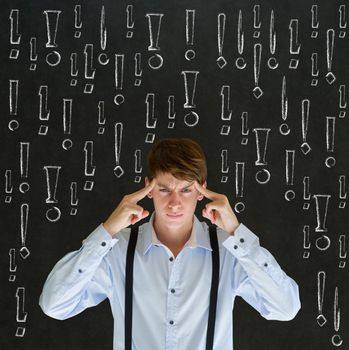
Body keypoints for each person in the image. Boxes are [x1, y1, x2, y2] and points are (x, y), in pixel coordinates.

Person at [39, 138, 301, 350]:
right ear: (148, 189)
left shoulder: (229, 250)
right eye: (164, 189)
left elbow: (285, 308)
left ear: (201, 191)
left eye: (186, 190)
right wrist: (107, 230)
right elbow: (54, 305)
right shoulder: (117, 249)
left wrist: (236, 231)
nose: (175, 202)